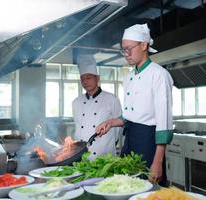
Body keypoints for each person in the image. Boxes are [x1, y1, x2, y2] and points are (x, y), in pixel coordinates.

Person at [95, 24, 174, 185]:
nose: (126, 54)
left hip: (149, 142)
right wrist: (110, 122)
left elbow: (164, 122)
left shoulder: (159, 74)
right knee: (128, 186)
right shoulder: (129, 77)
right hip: (130, 139)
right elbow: (130, 115)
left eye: (130, 48)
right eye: (124, 50)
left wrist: (157, 162)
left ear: (144, 45)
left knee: (149, 190)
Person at [72, 54, 122, 160]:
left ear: (97, 78)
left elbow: (118, 129)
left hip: (104, 156)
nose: (85, 81)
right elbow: (78, 126)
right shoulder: (76, 102)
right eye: (82, 78)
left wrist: (108, 145)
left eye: (89, 78)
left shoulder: (112, 99)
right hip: (81, 156)